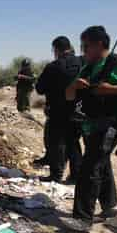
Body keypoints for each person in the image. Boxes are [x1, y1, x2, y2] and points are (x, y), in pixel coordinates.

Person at [64, 26, 117, 233]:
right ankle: (109, 207)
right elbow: (69, 96)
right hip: (90, 124)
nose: (83, 50)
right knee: (101, 164)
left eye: (86, 46)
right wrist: (74, 86)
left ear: (99, 44)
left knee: (89, 169)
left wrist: (111, 90)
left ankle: (82, 219)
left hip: (112, 124)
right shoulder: (88, 67)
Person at [35, 36, 83, 183]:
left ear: (56, 49)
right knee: (73, 144)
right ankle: (76, 175)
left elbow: (39, 89)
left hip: (57, 112)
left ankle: (56, 175)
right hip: (79, 111)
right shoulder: (82, 62)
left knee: (56, 144)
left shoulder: (53, 66)